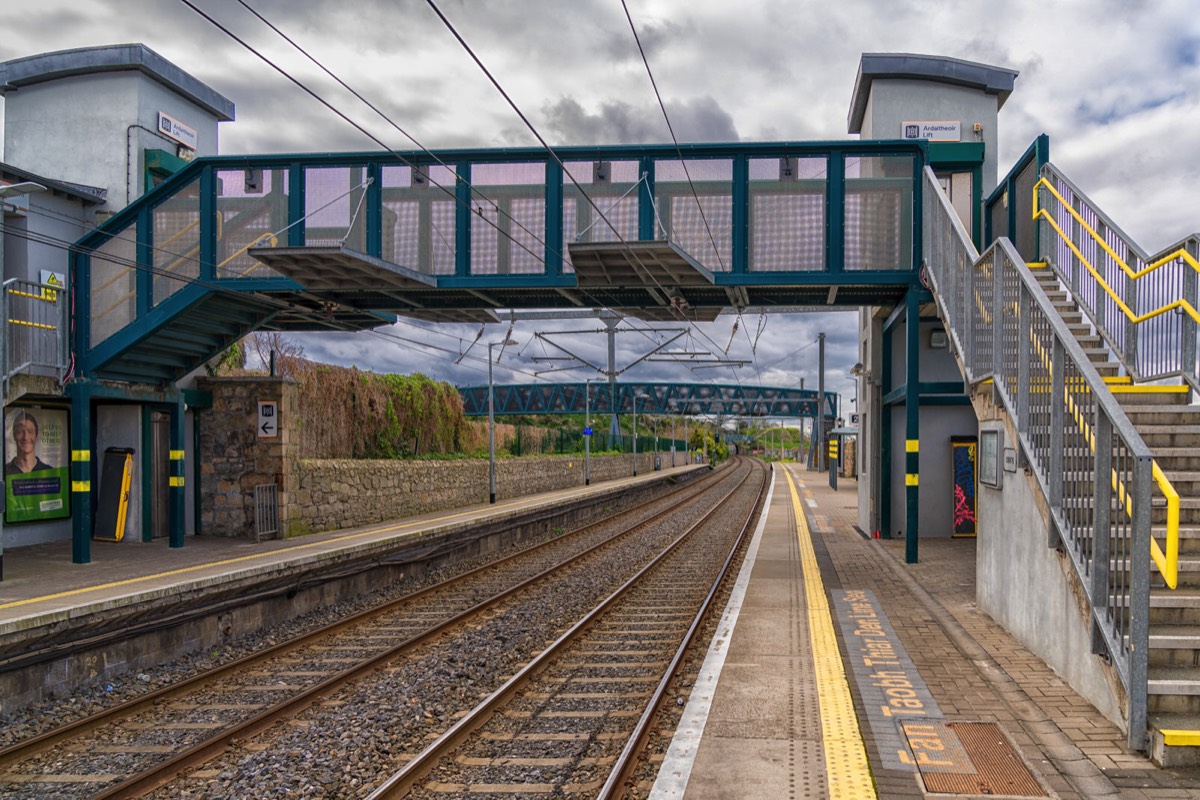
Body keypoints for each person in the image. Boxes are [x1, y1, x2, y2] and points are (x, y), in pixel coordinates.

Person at [6, 411, 52, 476]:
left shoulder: (49, 471)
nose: (25, 437)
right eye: (20, 432)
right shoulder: (4, 471)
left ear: (36, 435)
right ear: (14, 435)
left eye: (30, 432)